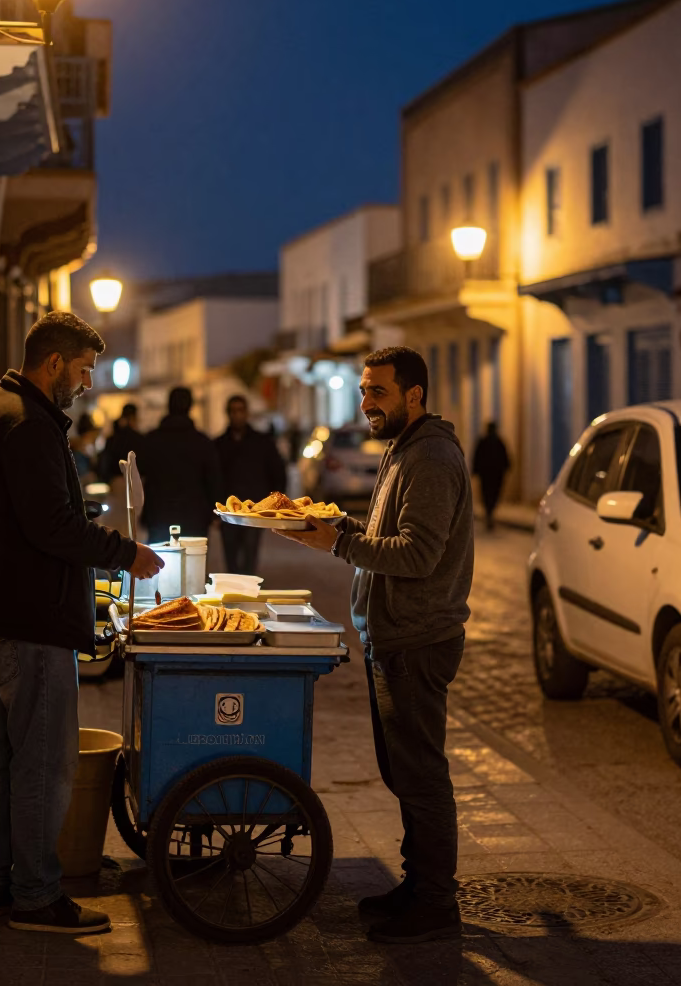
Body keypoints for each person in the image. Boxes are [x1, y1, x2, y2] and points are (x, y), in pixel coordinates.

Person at [0, 311, 164, 935]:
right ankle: (37, 897)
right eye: (83, 370)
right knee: (42, 762)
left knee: (3, 757)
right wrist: (125, 552)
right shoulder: (29, 426)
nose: (88, 383)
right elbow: (48, 529)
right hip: (28, 620)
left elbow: (24, 512)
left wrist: (75, 508)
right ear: (53, 364)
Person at [274, 346, 472, 945]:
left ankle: (436, 903)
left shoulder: (431, 457)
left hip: (417, 638)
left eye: (378, 392)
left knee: (421, 774)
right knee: (403, 772)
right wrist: (338, 531)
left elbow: (416, 554)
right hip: (392, 636)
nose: (366, 403)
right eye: (364, 391)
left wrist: (339, 545)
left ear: (414, 394)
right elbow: (389, 536)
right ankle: (418, 887)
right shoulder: (402, 450)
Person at [139, 386, 223, 543]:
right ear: (190, 407)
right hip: (195, 518)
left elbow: (140, 473)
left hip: (158, 515)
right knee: (192, 563)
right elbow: (213, 480)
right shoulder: (202, 442)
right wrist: (215, 514)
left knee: (159, 564)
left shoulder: (151, 440)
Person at [215, 395, 287, 574]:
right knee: (230, 557)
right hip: (228, 511)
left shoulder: (262, 442)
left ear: (247, 413)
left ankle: (247, 591)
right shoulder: (218, 444)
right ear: (228, 413)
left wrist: (274, 504)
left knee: (250, 555)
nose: (237, 415)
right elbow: (213, 478)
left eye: (241, 410)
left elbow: (277, 472)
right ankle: (233, 592)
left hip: (255, 509)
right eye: (233, 411)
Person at [472, 421, 511, 531]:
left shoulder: (494, 442)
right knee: (491, 494)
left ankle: (489, 513)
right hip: (492, 475)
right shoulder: (496, 442)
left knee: (490, 494)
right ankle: (489, 513)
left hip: (491, 475)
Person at [98, 403, 142, 483]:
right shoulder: (138, 438)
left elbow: (106, 461)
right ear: (133, 417)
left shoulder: (113, 439)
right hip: (135, 479)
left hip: (116, 481)